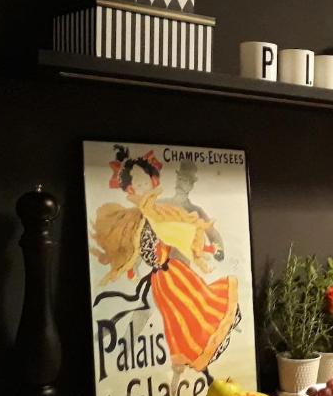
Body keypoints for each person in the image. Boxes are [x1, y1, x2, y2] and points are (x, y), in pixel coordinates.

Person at [90, 145, 240, 375]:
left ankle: (199, 365)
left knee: (190, 317)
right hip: (162, 274)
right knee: (150, 312)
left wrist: (216, 248)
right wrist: (135, 265)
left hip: (182, 273)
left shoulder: (190, 209)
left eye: (188, 182)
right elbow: (143, 236)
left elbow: (209, 232)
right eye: (181, 179)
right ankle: (123, 354)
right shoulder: (159, 206)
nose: (183, 184)